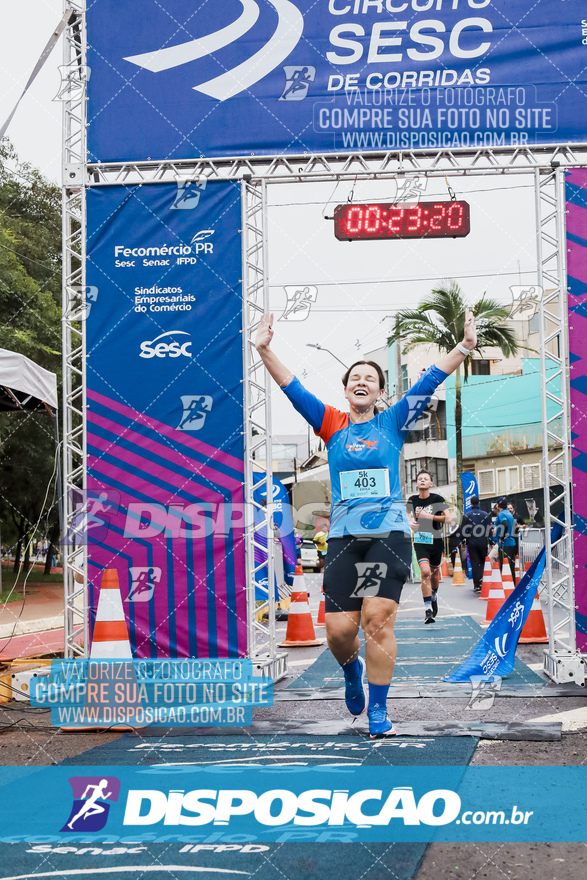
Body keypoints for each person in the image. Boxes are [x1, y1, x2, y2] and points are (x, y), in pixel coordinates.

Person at [255, 308, 477, 737]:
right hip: (343, 538)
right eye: (354, 377)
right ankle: (351, 672)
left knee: (377, 619)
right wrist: (264, 349)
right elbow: (290, 386)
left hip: (388, 534)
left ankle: (378, 709)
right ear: (344, 389)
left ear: (379, 391)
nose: (361, 381)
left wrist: (465, 346)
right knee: (339, 632)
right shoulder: (330, 423)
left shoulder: (392, 422)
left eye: (369, 379)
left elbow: (431, 378)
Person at [407, 471, 450, 622]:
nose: (423, 481)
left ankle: (433, 596)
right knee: (425, 572)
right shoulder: (412, 500)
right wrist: (410, 524)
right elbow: (406, 519)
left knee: (434, 573)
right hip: (420, 541)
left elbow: (448, 518)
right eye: (420, 479)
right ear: (417, 483)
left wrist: (428, 516)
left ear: (431, 483)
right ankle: (428, 610)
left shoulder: (437, 499)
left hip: (436, 540)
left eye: (426, 479)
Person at [460, 496, 493, 592]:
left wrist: (463, 541)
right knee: (483, 561)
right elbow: (489, 529)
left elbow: (463, 530)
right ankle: (483, 579)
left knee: (474, 563)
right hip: (483, 542)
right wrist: (490, 541)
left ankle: (476, 585)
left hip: (471, 542)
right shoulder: (485, 515)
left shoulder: (467, 515)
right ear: (479, 503)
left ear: (470, 504)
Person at [493, 497, 517, 583]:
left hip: (505, 544)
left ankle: (506, 586)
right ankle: (512, 584)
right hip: (511, 543)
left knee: (504, 566)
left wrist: (501, 538)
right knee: (510, 566)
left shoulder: (502, 514)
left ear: (498, 505)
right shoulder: (509, 513)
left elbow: (505, 525)